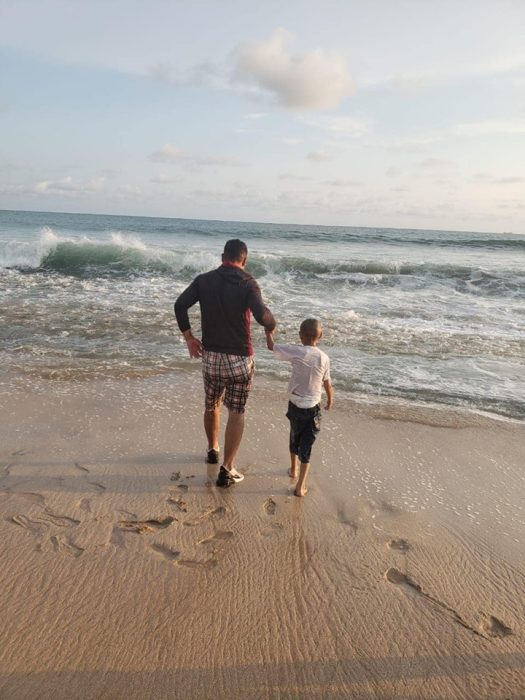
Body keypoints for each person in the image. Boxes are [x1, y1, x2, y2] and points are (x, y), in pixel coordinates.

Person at [174, 239, 276, 488]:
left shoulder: (204, 280)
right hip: (240, 359)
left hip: (211, 358)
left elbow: (179, 305)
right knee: (237, 412)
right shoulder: (248, 283)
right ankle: (228, 468)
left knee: (212, 405)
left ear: (222, 257)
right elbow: (263, 317)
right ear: (245, 260)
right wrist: (271, 326)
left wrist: (189, 338)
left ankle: (212, 449)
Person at [266, 318, 333, 497]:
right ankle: (300, 486)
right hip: (312, 408)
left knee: (294, 436)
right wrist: (330, 400)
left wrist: (268, 333)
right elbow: (327, 383)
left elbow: (272, 347)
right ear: (321, 336)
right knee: (307, 446)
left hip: (295, 404)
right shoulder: (324, 358)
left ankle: (293, 469)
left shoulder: (296, 351)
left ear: (301, 336)